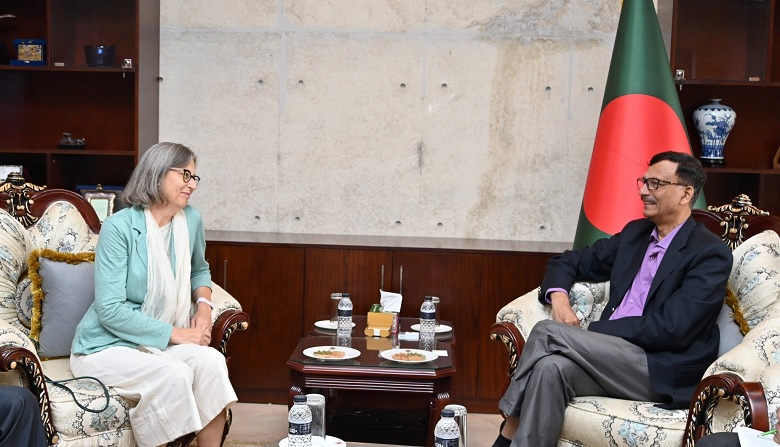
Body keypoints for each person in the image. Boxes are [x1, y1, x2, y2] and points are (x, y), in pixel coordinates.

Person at [494, 151, 734, 447]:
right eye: (644, 182)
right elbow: (567, 262)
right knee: (549, 369)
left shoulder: (709, 253)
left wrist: (592, 332)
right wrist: (559, 300)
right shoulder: (635, 235)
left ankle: (506, 434)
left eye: (656, 183)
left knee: (547, 332)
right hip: (609, 359)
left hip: (658, 367)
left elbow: (674, 328)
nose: (644, 190)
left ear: (686, 193)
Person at [70, 142, 236, 447]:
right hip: (106, 345)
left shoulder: (192, 220)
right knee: (174, 375)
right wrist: (178, 334)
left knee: (211, 363)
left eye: (195, 177)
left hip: (156, 343)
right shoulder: (119, 227)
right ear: (158, 173)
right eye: (185, 175)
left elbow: (199, 269)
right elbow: (109, 309)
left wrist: (202, 307)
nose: (192, 185)